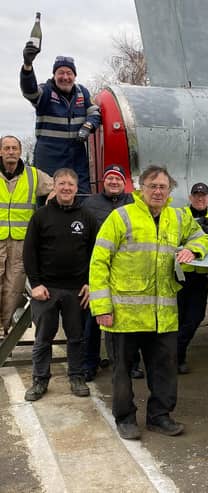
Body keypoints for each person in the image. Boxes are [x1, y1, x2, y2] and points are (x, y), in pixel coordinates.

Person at [89, 165, 208, 440]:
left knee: (165, 369)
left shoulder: (178, 217)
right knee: (122, 370)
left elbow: (200, 237)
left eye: (163, 187)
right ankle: (125, 418)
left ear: (170, 191)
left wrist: (193, 249)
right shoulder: (121, 217)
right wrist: (102, 307)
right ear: (140, 189)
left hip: (163, 313)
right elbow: (98, 262)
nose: (157, 191)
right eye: (152, 186)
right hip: (124, 315)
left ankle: (160, 416)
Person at [22, 168, 97, 401]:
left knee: (76, 336)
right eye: (61, 183)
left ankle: (76, 376)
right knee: (43, 337)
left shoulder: (87, 218)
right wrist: (35, 284)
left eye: (70, 184)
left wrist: (90, 283)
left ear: (77, 188)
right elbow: (29, 253)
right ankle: (40, 380)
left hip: (77, 290)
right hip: (47, 289)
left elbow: (97, 254)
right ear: (54, 186)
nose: (66, 188)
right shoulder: (40, 216)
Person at [21, 42, 100, 195]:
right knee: (47, 197)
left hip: (77, 155)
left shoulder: (82, 93)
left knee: (81, 195)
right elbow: (29, 91)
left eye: (69, 73)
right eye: (61, 73)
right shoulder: (45, 91)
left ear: (75, 76)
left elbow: (95, 113)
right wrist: (27, 66)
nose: (65, 77)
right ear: (54, 75)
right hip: (49, 155)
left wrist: (87, 126)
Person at [80, 165, 134, 381]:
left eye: (118, 179)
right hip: (99, 269)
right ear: (104, 181)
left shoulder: (133, 202)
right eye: (110, 178)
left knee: (127, 321)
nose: (114, 182)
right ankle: (89, 364)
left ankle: (131, 364)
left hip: (126, 271)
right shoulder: (90, 204)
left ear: (124, 182)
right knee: (92, 322)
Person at [0, 135, 53, 338]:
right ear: (1, 152)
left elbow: (57, 185)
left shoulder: (33, 175)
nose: (11, 151)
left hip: (21, 243)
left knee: (14, 286)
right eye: (7, 148)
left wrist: (49, 206)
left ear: (20, 151)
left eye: (14, 148)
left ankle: (4, 332)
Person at [177, 182, 208, 374]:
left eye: (203, 196)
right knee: (177, 318)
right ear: (190, 197)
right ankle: (177, 357)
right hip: (180, 275)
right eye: (196, 195)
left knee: (196, 317)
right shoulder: (180, 215)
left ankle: (175, 351)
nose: (200, 199)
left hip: (200, 278)